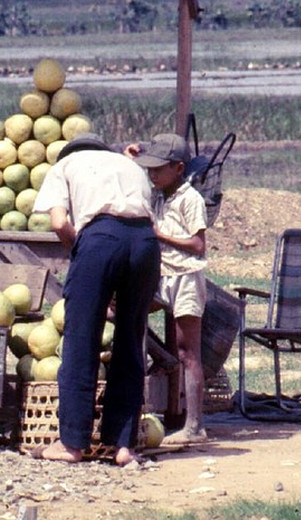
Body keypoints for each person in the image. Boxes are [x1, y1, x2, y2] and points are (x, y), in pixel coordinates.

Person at [32, 132, 160, 465]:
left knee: (81, 339)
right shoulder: (127, 164)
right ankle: (122, 446)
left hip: (100, 237)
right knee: (131, 341)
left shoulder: (64, 166)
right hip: (146, 243)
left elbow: (60, 223)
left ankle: (72, 444)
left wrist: (86, 254)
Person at [126, 132, 209, 445]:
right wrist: (131, 154)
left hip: (186, 276)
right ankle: (162, 357)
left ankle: (195, 426)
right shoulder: (160, 194)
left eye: (158, 169)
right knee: (119, 312)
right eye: (150, 169)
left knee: (189, 352)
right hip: (162, 277)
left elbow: (198, 245)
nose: (152, 174)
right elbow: (136, 170)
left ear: (178, 168)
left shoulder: (191, 199)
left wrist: (160, 235)